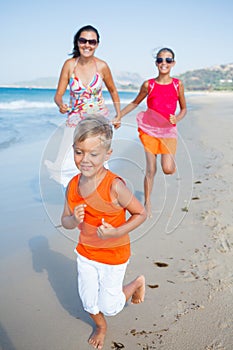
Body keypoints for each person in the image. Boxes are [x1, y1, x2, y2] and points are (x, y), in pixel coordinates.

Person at [61, 116, 147, 349]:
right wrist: (73, 219)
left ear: (107, 154)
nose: (85, 160)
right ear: (73, 150)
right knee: (89, 302)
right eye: (80, 152)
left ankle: (136, 283)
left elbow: (141, 214)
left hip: (114, 256)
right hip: (86, 254)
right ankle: (101, 326)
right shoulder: (72, 185)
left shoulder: (114, 186)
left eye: (93, 154)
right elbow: (65, 221)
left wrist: (115, 232)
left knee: (111, 306)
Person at [45, 25, 121, 187]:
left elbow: (113, 91)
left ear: (97, 44)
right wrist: (61, 105)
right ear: (77, 42)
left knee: (97, 158)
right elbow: (58, 95)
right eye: (83, 40)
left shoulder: (102, 66)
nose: (87, 45)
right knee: (67, 161)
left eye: (91, 42)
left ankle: (99, 197)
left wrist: (119, 115)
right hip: (75, 119)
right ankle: (76, 196)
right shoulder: (69, 65)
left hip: (98, 120)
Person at [119, 47, 187, 217]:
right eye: (160, 60)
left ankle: (170, 161)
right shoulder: (148, 85)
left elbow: (184, 108)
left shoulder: (177, 85)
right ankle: (147, 203)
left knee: (168, 169)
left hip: (168, 131)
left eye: (168, 60)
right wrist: (119, 115)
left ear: (173, 63)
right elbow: (135, 103)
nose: (164, 63)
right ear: (156, 63)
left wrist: (177, 118)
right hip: (149, 130)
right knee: (151, 169)